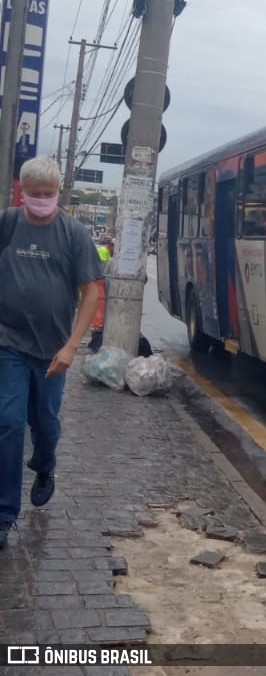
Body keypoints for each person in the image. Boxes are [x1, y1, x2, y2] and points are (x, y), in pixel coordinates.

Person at [0, 157, 103, 550]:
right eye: (35, 194)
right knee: (8, 423)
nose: (41, 201)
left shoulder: (73, 233)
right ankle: (4, 513)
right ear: (22, 192)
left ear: (59, 192)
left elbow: (90, 291)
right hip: (7, 342)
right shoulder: (8, 223)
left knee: (44, 424)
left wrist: (72, 346)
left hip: (53, 350)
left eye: (48, 194)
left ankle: (45, 466)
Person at [88, 236, 114, 352]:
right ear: (111, 246)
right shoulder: (103, 252)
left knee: (97, 315)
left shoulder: (105, 252)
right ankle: (96, 343)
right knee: (98, 316)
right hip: (97, 284)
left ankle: (95, 341)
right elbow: (103, 271)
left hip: (96, 284)